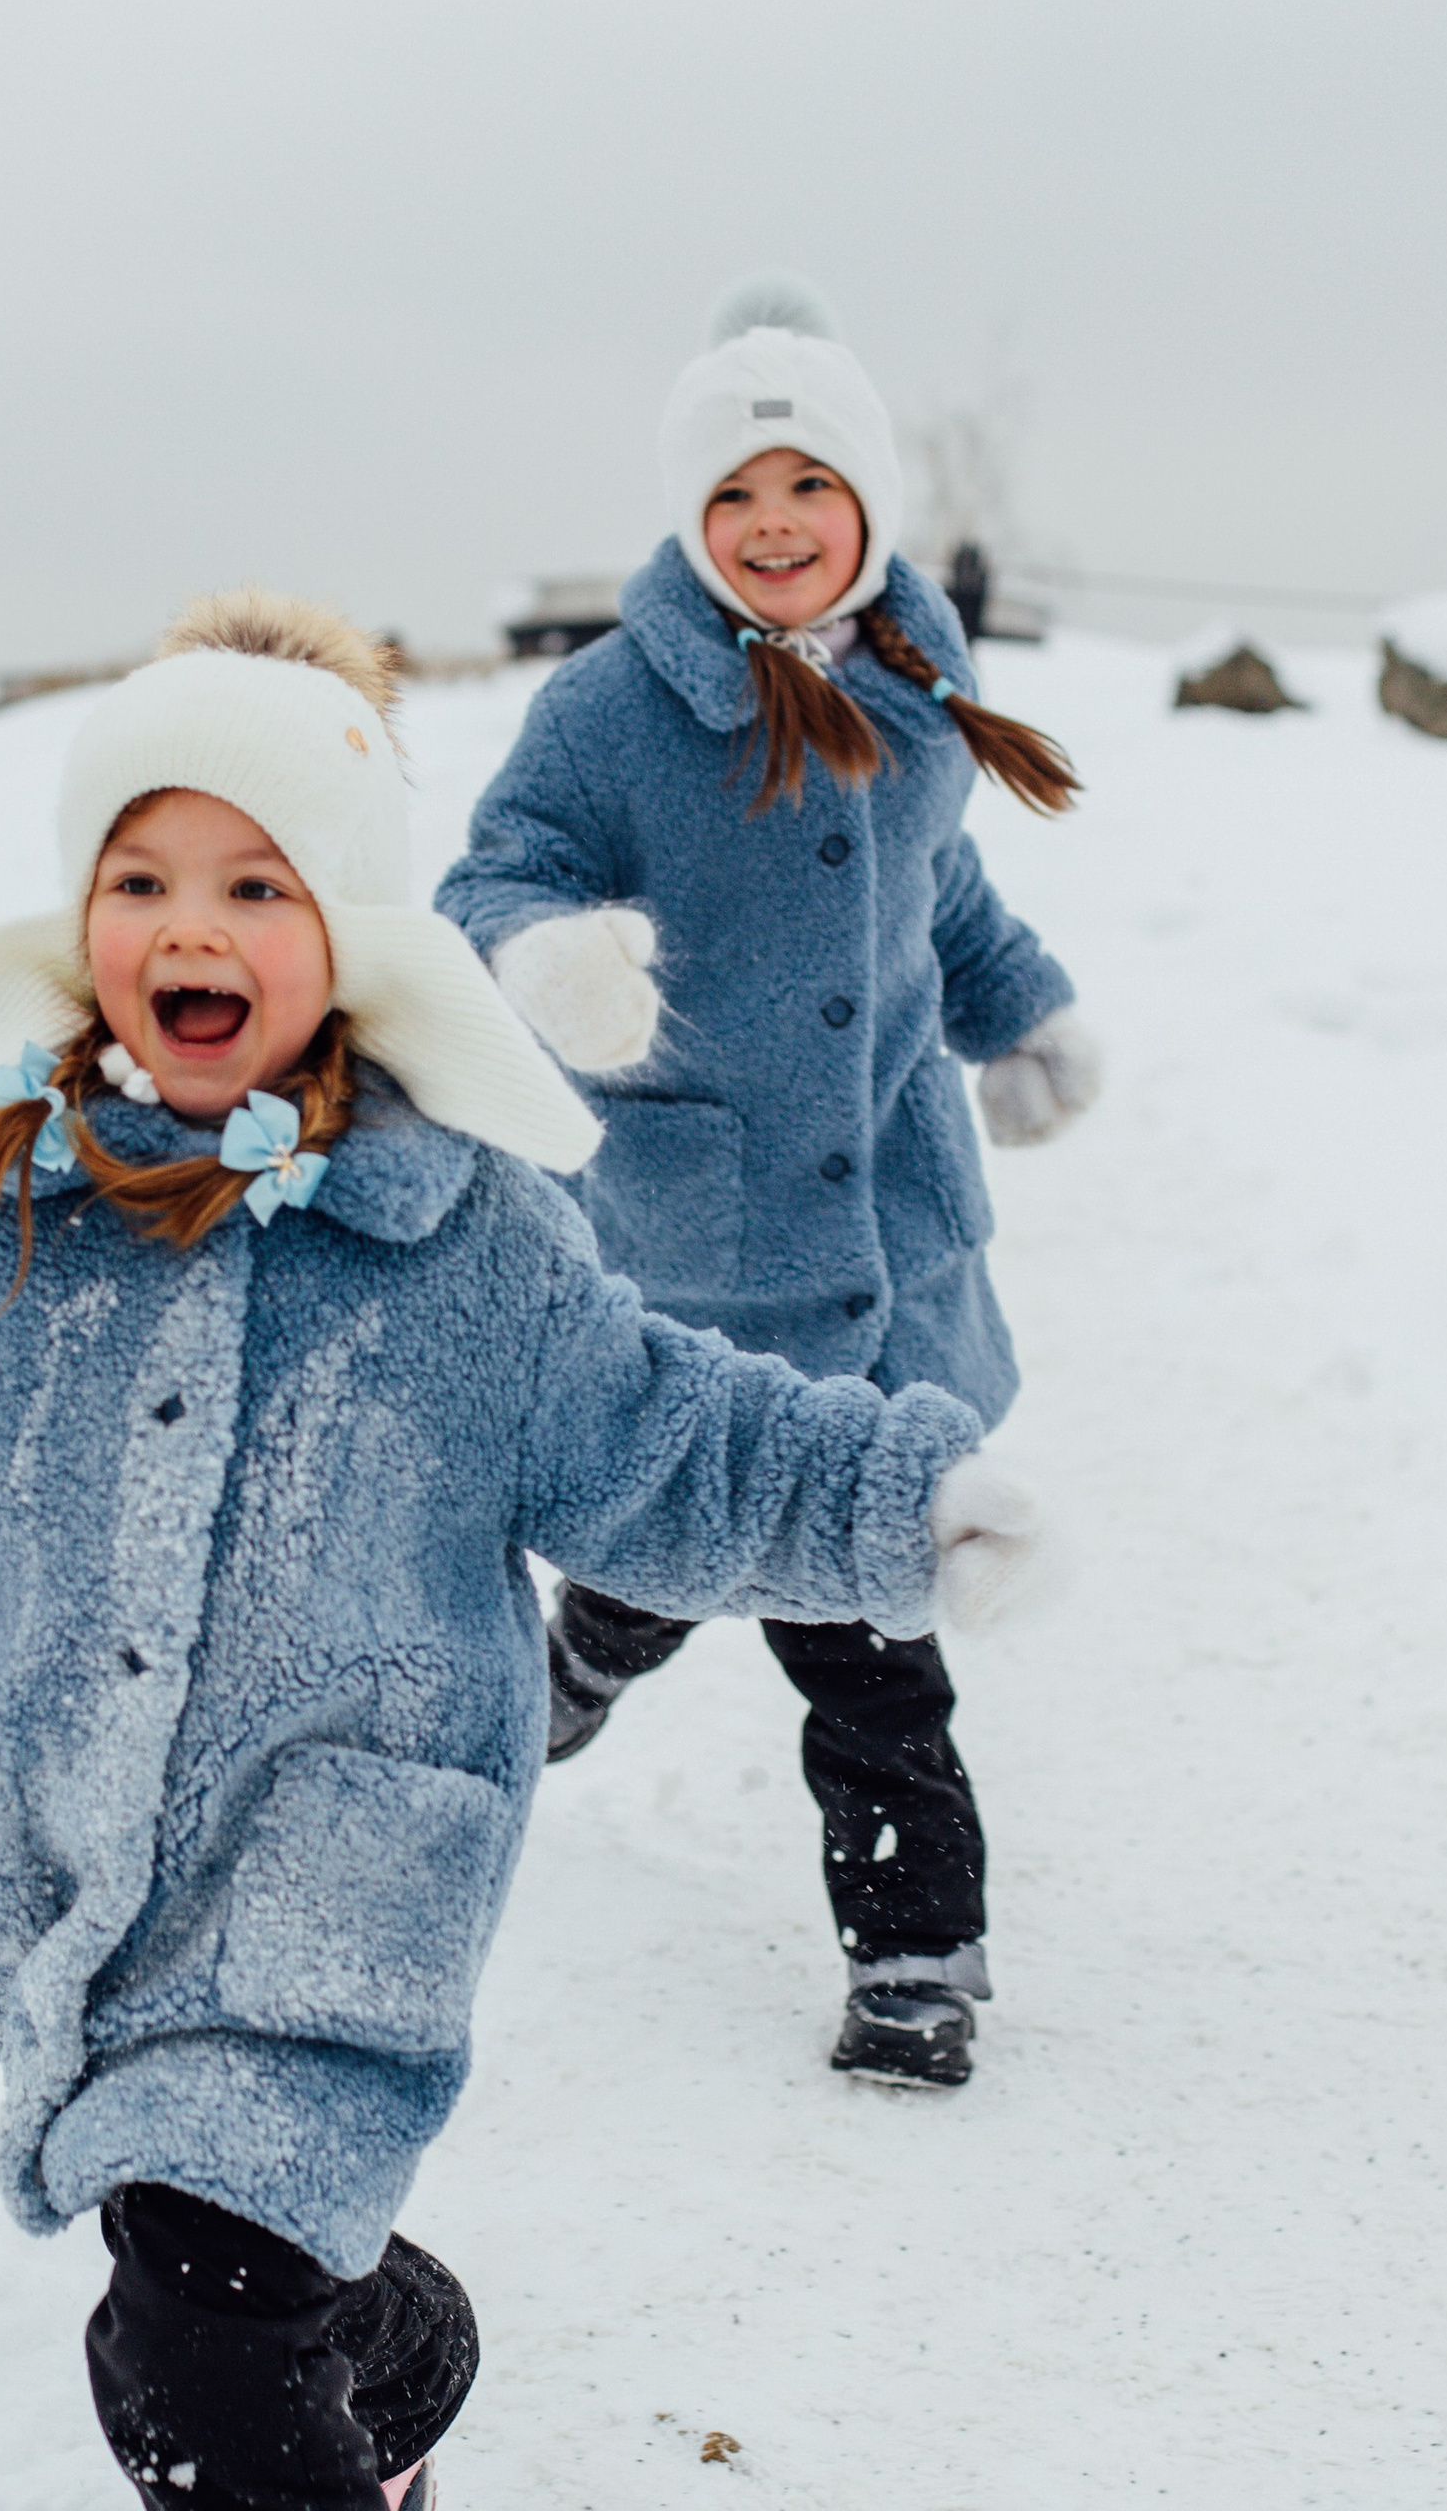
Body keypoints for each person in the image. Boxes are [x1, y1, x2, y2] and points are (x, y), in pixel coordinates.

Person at [0, 591, 1039, 2511]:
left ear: (349, 938)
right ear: (82, 923)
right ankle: (404, 2345)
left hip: (327, 1902)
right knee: (234, 2277)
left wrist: (895, 1501)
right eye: (141, 876)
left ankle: (327, 2373)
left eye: (257, 883)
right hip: (48, 1866)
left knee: (194, 2355)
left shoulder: (461, 1250)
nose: (192, 926)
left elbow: (667, 1441)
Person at [436, 274, 1097, 2092]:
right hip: (698, 1247)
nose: (774, 525)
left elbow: (935, 891)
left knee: (866, 1631)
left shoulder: (920, 686)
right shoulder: (610, 711)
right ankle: (598, 1641)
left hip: (884, 1246)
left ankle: (915, 1957)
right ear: (691, 523)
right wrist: (549, 955)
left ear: (867, 508)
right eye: (734, 498)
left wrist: (1015, 1009)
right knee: (674, 1527)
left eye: (807, 489)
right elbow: (490, 875)